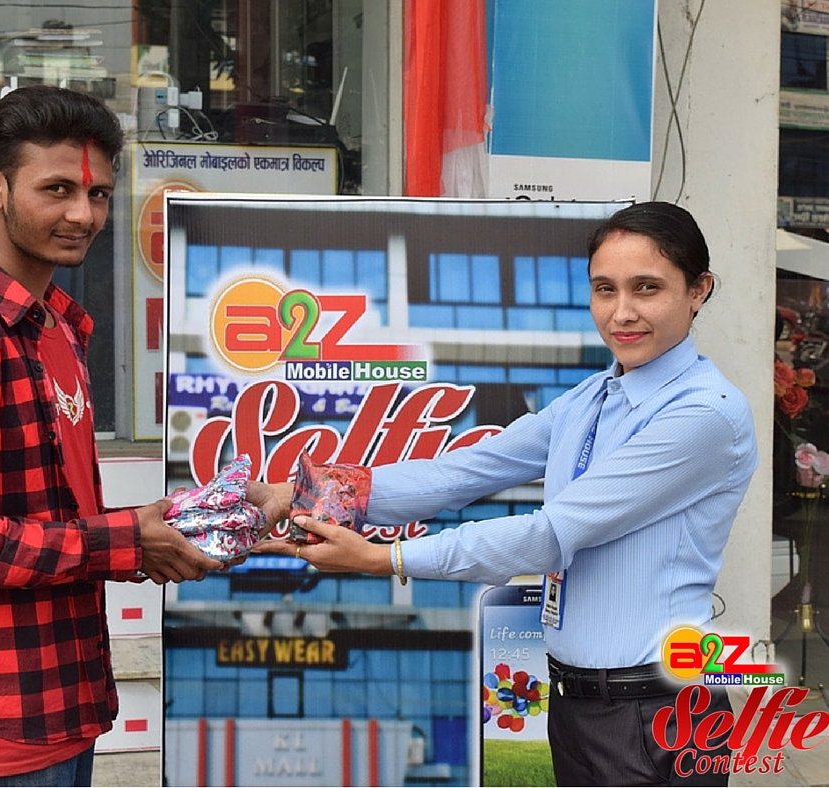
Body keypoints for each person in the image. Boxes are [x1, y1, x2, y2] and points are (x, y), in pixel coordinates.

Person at [250, 201, 758, 786]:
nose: (622, 312)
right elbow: (463, 472)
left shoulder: (704, 414)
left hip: (656, 713)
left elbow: (550, 535)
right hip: (578, 704)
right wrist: (299, 493)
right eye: (604, 289)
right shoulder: (592, 397)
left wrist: (384, 559)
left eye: (647, 288)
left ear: (698, 290)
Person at [0, 85, 221, 786]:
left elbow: (53, 518)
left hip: (68, 705)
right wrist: (125, 539)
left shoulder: (60, 327)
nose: (83, 214)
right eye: (58, 189)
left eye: (98, 194)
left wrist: (162, 530)